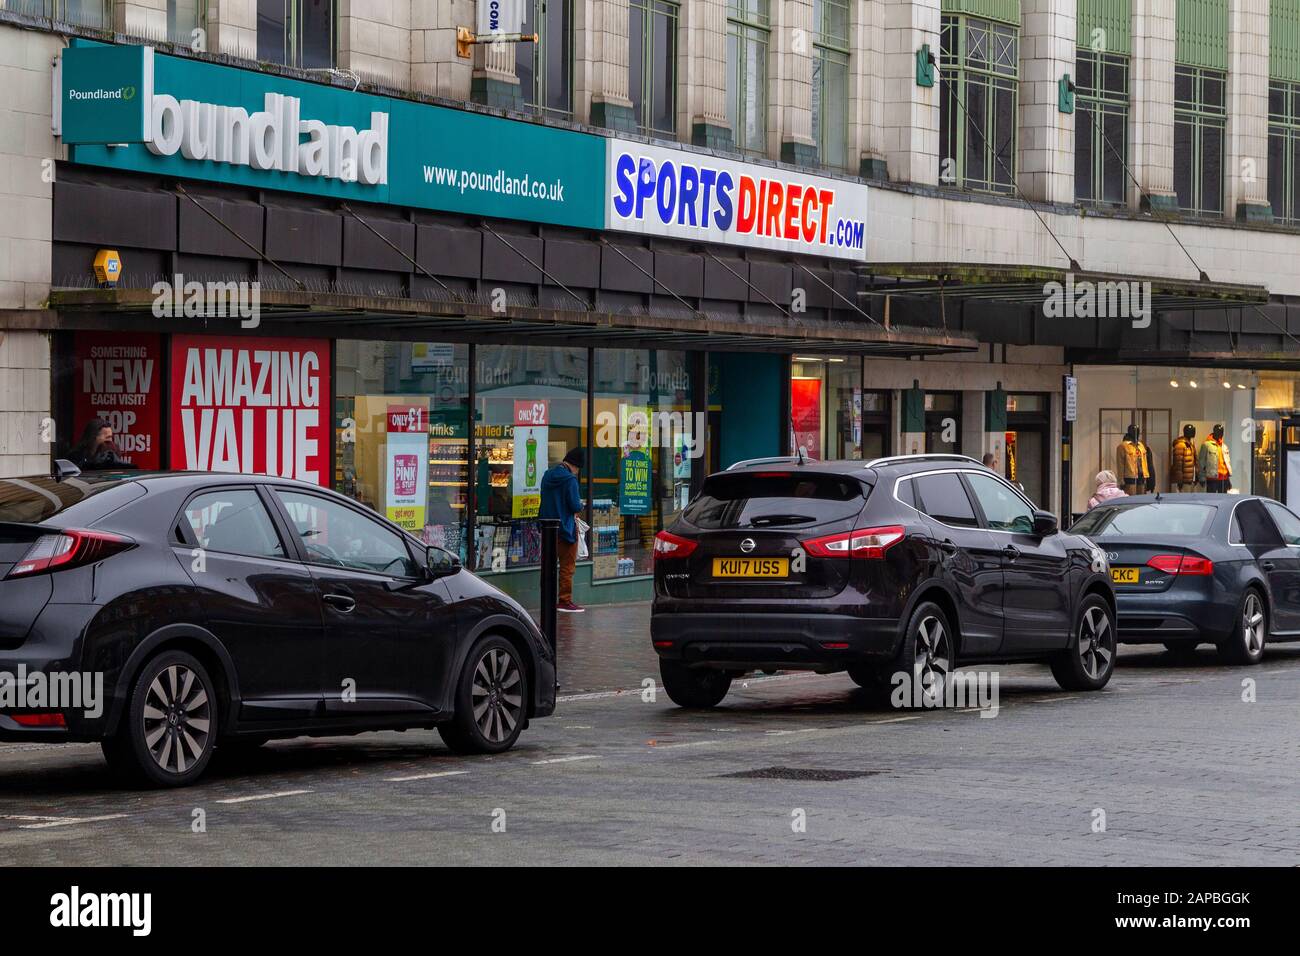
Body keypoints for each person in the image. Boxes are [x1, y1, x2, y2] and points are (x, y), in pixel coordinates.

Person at [540, 447, 585, 613]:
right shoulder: (570, 480)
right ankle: (564, 601)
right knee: (567, 566)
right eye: (578, 468)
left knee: (548, 565)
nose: (577, 472)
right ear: (575, 466)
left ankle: (547, 597)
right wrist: (581, 505)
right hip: (565, 528)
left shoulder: (547, 475)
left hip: (547, 528)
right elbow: (574, 505)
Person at [68, 418, 137, 471]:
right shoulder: (76, 457)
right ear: (94, 437)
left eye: (111, 437)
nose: (110, 441)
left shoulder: (111, 456)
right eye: (107, 437)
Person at [1199, 424, 1232, 493]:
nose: (1220, 434)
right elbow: (1201, 462)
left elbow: (1226, 463)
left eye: (1222, 432)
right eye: (1218, 432)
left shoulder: (1224, 446)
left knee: (1223, 499)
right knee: (1212, 499)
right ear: (1214, 432)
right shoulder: (1206, 445)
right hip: (1212, 478)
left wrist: (1228, 479)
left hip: (1224, 478)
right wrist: (1201, 477)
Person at [1169, 425, 1198, 492]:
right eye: (1190, 431)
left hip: (1191, 480)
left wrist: (1196, 476)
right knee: (1185, 500)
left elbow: (1195, 462)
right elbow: (1178, 465)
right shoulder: (1180, 445)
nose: (1193, 432)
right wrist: (1180, 481)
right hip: (1184, 482)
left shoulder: (1190, 445)